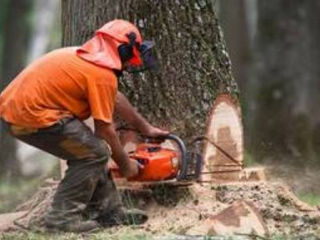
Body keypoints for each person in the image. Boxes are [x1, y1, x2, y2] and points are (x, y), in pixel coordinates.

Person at [0, 19, 168, 232]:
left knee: (92, 150)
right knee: (93, 152)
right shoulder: (101, 74)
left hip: (17, 112)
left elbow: (114, 97)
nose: (130, 63)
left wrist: (145, 128)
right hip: (30, 116)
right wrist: (126, 164)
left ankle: (109, 211)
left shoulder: (88, 62)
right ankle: (61, 219)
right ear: (124, 50)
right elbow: (104, 129)